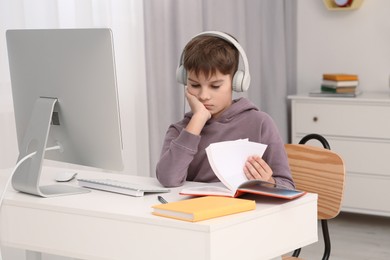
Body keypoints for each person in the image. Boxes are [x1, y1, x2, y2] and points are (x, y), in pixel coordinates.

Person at [156, 31, 294, 190]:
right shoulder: (180, 131)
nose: (204, 96)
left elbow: (288, 187)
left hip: (247, 213)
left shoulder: (260, 123)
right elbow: (168, 179)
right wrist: (198, 120)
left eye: (215, 86)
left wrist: (268, 181)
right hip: (199, 212)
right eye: (194, 85)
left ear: (237, 82)